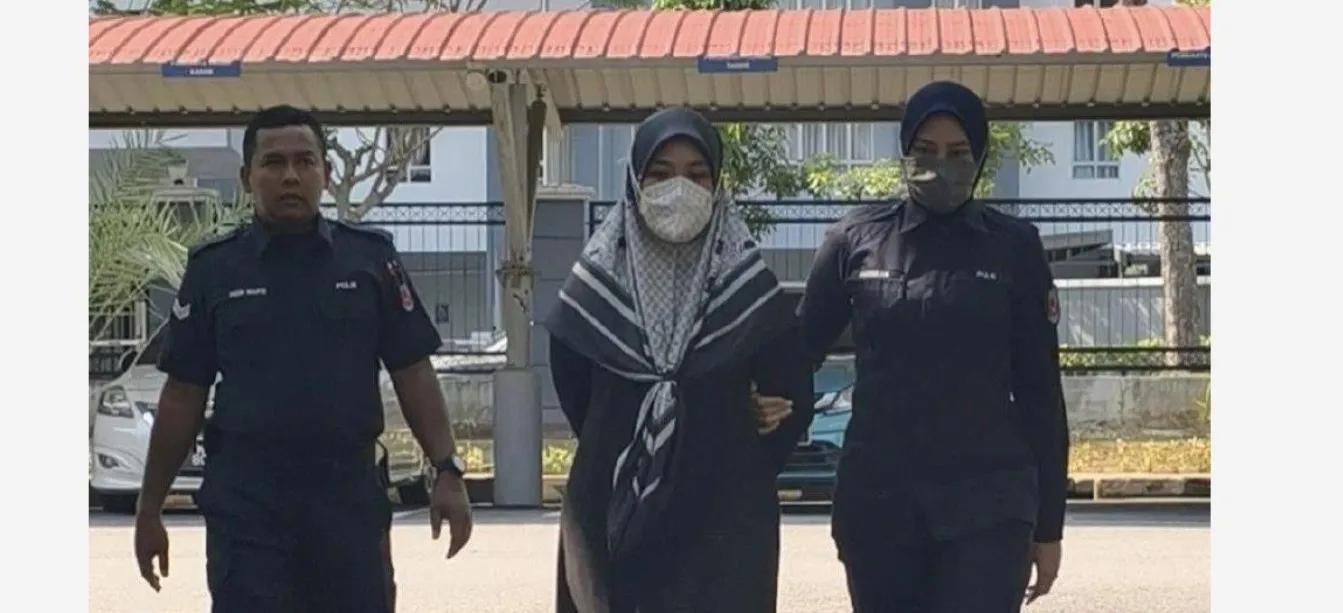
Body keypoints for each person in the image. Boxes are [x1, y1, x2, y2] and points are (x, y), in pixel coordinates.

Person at [132, 105, 475, 613]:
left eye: (305, 161)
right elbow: (183, 393)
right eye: (273, 163)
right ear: (247, 178)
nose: (290, 175)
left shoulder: (370, 260)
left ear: (326, 173)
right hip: (248, 507)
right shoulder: (214, 270)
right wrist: (149, 507)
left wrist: (447, 469)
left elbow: (413, 371)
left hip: (347, 502)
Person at [763, 81, 1071, 613]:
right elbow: (798, 351)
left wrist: (1049, 526)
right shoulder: (856, 240)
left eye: (957, 152)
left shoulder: (1014, 247)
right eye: (925, 150)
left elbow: (1041, 392)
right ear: (904, 152)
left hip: (989, 505)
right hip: (880, 505)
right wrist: (752, 408)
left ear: (979, 157)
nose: (940, 165)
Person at [542, 107, 815, 613]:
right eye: (661, 174)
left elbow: (791, 390)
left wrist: (735, 430)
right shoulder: (595, 289)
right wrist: (625, 435)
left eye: (697, 174)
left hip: (724, 517)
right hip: (612, 504)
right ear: (635, 181)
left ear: (717, 185)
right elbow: (575, 387)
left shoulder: (747, 289)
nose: (680, 189)